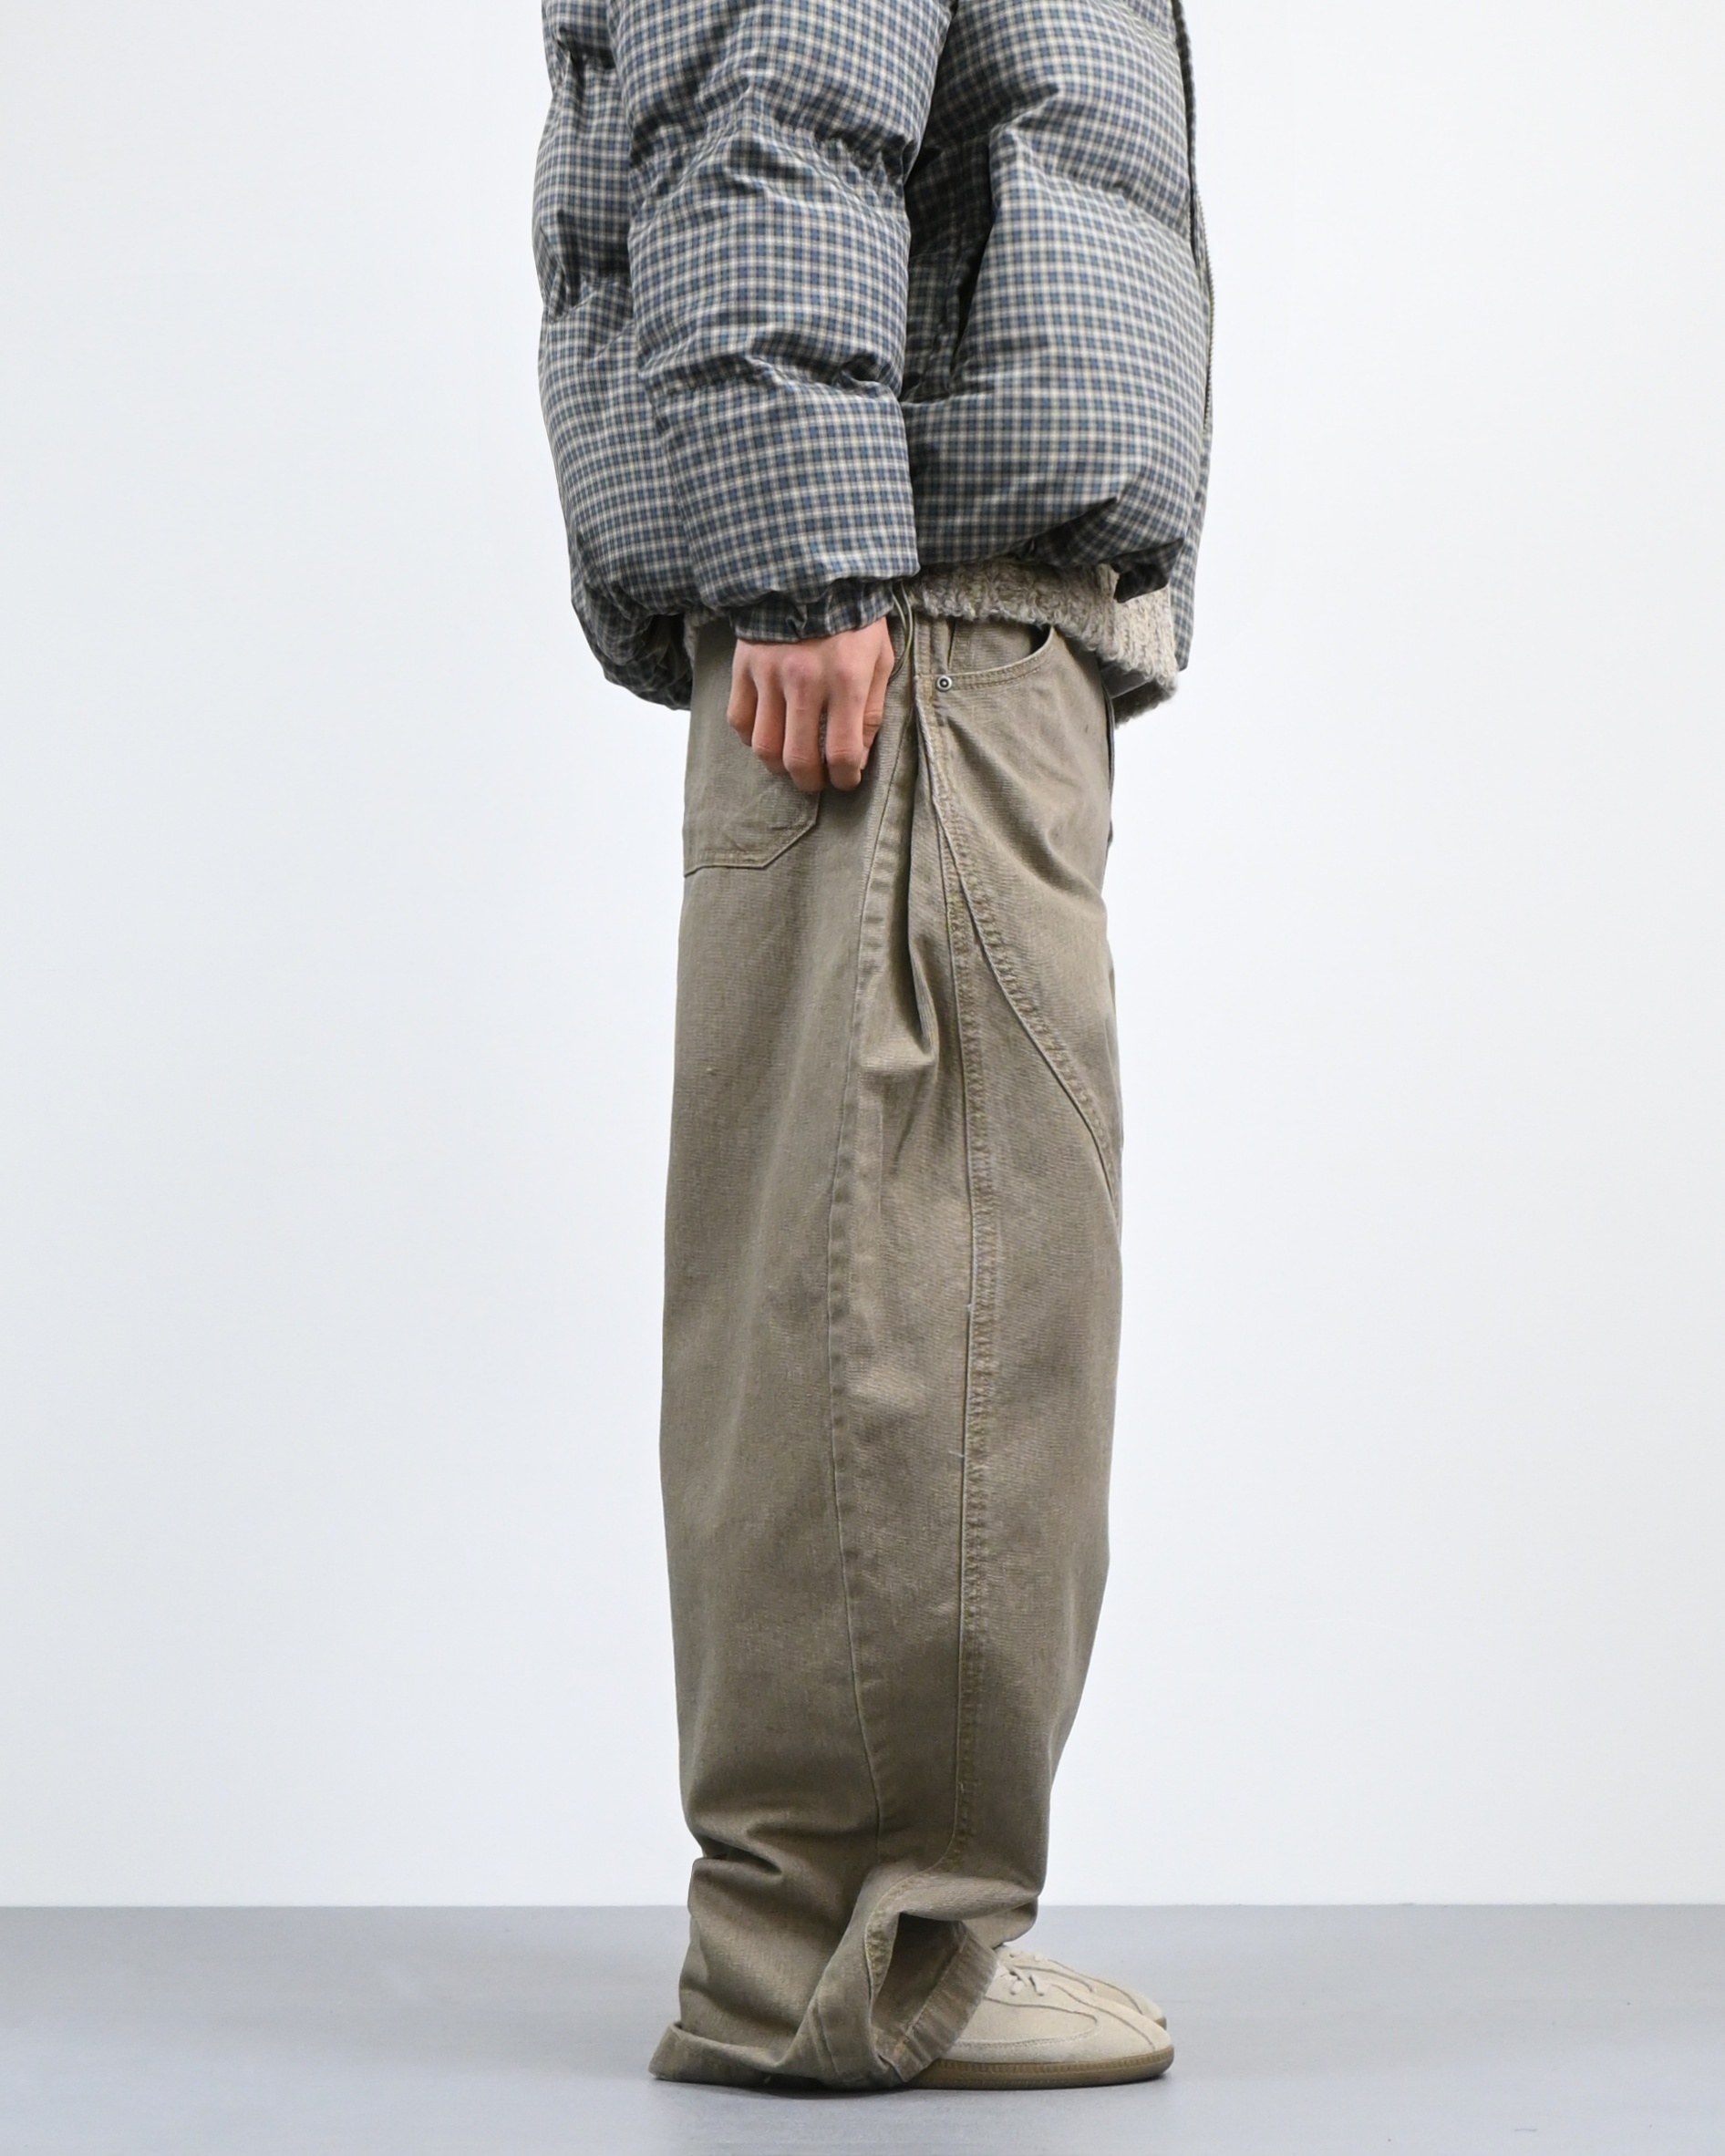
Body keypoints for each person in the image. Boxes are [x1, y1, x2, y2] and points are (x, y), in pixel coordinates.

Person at [533, 0, 1212, 2093]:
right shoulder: (856, 585)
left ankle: (845, 1925)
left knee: (904, 1266)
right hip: (903, 605)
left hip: (925, 596)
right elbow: (775, 101)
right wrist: (807, 544)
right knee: (925, 1285)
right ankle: (849, 1948)